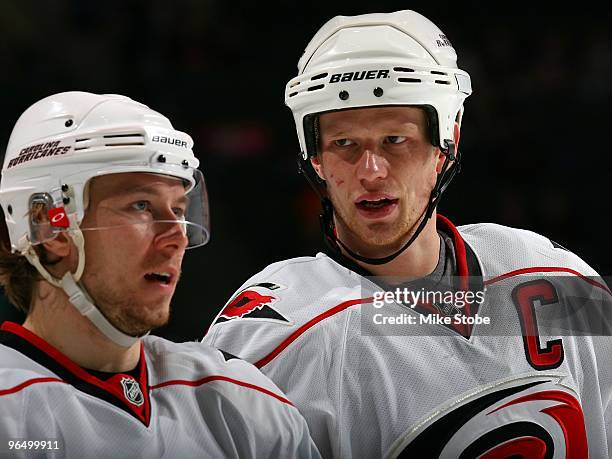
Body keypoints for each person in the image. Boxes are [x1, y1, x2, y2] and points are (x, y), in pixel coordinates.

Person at [202, 10, 612, 458]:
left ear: (446, 142)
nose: (371, 171)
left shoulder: (553, 272)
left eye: (395, 140)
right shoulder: (278, 334)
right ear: (313, 157)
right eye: (344, 144)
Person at [0, 92, 319, 458]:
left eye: (180, 210)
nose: (177, 237)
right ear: (49, 226)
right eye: (141, 206)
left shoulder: (238, 400)